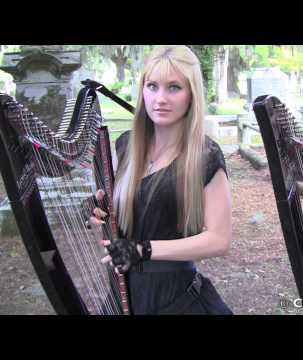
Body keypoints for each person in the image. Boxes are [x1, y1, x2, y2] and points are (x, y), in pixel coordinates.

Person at [89, 46, 233, 314]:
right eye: (152, 86)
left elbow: (219, 240)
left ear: (192, 95)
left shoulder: (205, 156)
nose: (160, 98)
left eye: (174, 87)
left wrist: (144, 249)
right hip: (124, 294)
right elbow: (130, 222)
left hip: (176, 297)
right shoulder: (126, 147)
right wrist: (103, 214)